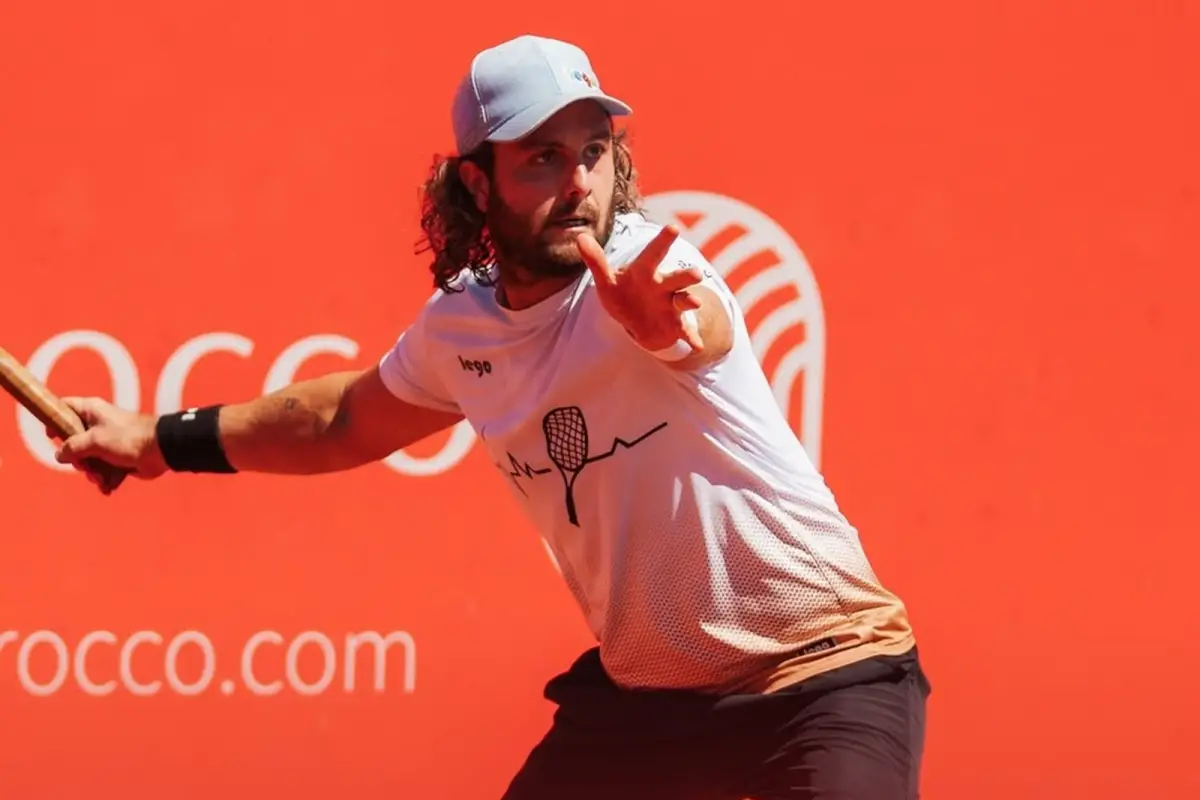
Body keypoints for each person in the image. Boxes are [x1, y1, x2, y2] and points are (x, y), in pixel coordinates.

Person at [52, 34, 931, 800]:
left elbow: (693, 326)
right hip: (650, 707)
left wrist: (672, 330)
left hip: (825, 669)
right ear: (479, 181)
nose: (580, 181)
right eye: (542, 157)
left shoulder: (648, 271)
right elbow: (339, 421)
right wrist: (157, 440)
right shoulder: (461, 330)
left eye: (594, 151)